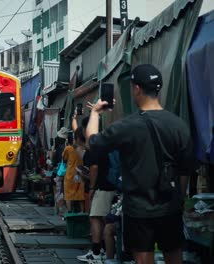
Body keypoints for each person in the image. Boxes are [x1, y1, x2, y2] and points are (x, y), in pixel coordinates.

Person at [86, 64, 194, 264]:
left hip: (138, 209)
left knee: (143, 259)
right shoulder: (179, 126)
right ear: (158, 89)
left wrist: (95, 114)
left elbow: (92, 143)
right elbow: (185, 170)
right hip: (170, 207)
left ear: (136, 89)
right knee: (174, 257)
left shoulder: (127, 125)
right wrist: (177, 200)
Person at [76, 116, 116, 263]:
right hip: (110, 185)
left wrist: (92, 187)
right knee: (104, 219)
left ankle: (96, 252)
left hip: (103, 187)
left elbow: (94, 167)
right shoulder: (104, 141)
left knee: (95, 218)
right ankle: (105, 250)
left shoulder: (95, 144)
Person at [63, 127, 86, 213]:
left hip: (70, 174)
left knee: (68, 194)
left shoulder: (68, 148)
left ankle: (69, 211)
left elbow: (64, 159)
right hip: (80, 172)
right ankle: (82, 211)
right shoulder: (83, 148)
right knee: (80, 194)